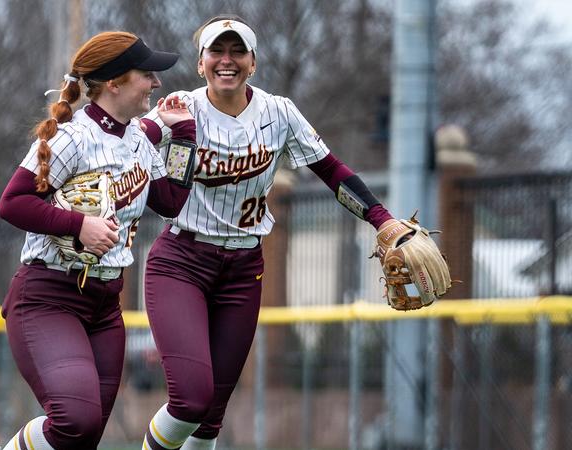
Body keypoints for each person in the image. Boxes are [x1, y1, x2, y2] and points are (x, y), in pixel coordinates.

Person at [138, 16, 398, 450]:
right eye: (215, 52)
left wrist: (382, 219)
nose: (227, 60)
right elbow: (126, 147)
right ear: (201, 63)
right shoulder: (182, 106)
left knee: (211, 415)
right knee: (191, 398)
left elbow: (330, 171)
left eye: (237, 51)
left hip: (243, 268)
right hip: (182, 261)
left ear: (253, 62)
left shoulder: (278, 112)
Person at [0, 31, 196, 450]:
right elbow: (12, 203)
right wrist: (77, 224)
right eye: (146, 74)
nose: (156, 82)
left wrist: (185, 136)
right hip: (48, 296)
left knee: (83, 437)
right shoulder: (71, 136)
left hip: (105, 305)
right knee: (75, 418)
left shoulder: (138, 139)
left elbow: (172, 201)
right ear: (114, 83)